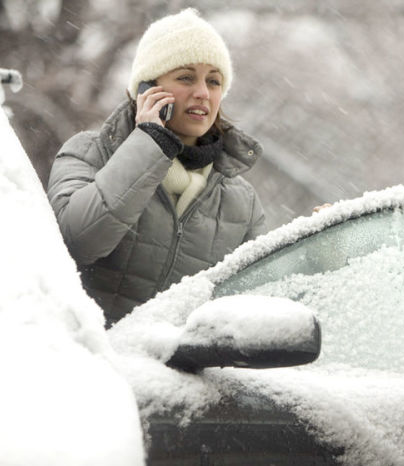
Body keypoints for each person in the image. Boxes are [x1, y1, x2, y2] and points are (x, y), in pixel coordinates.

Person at [47, 8, 266, 327]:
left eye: (214, 81)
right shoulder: (88, 153)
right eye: (186, 77)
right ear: (145, 89)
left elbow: (260, 302)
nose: (203, 93)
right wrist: (149, 143)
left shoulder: (242, 202)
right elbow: (79, 241)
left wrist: (320, 250)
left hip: (174, 376)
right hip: (88, 366)